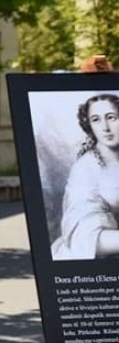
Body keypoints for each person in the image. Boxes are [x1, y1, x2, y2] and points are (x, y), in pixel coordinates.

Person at [51, 93, 119, 260]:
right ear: (89, 125)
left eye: (111, 117)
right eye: (96, 120)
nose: (105, 127)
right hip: (94, 264)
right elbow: (84, 235)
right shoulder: (86, 168)